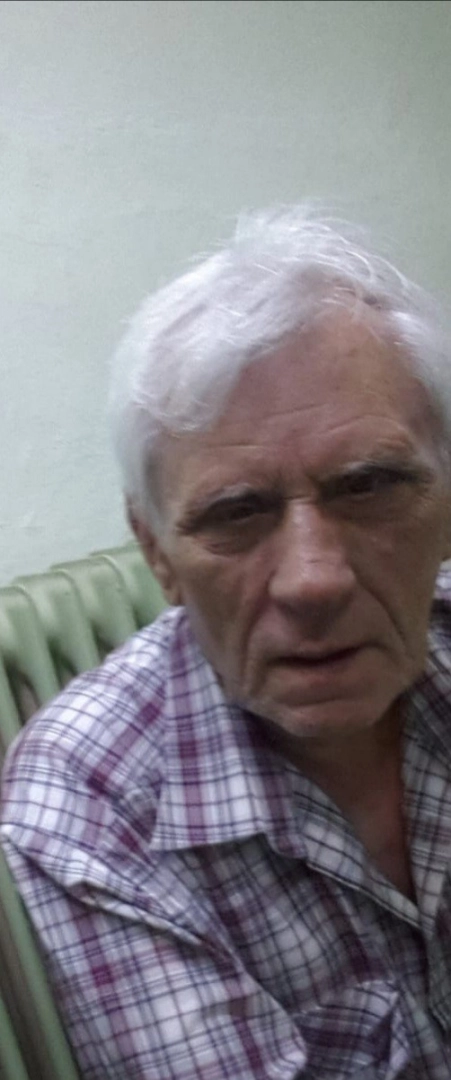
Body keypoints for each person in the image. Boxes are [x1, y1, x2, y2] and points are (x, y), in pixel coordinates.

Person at [2, 205, 451, 1080]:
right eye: (235, 513)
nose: (312, 580)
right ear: (156, 555)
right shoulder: (87, 810)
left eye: (366, 487)